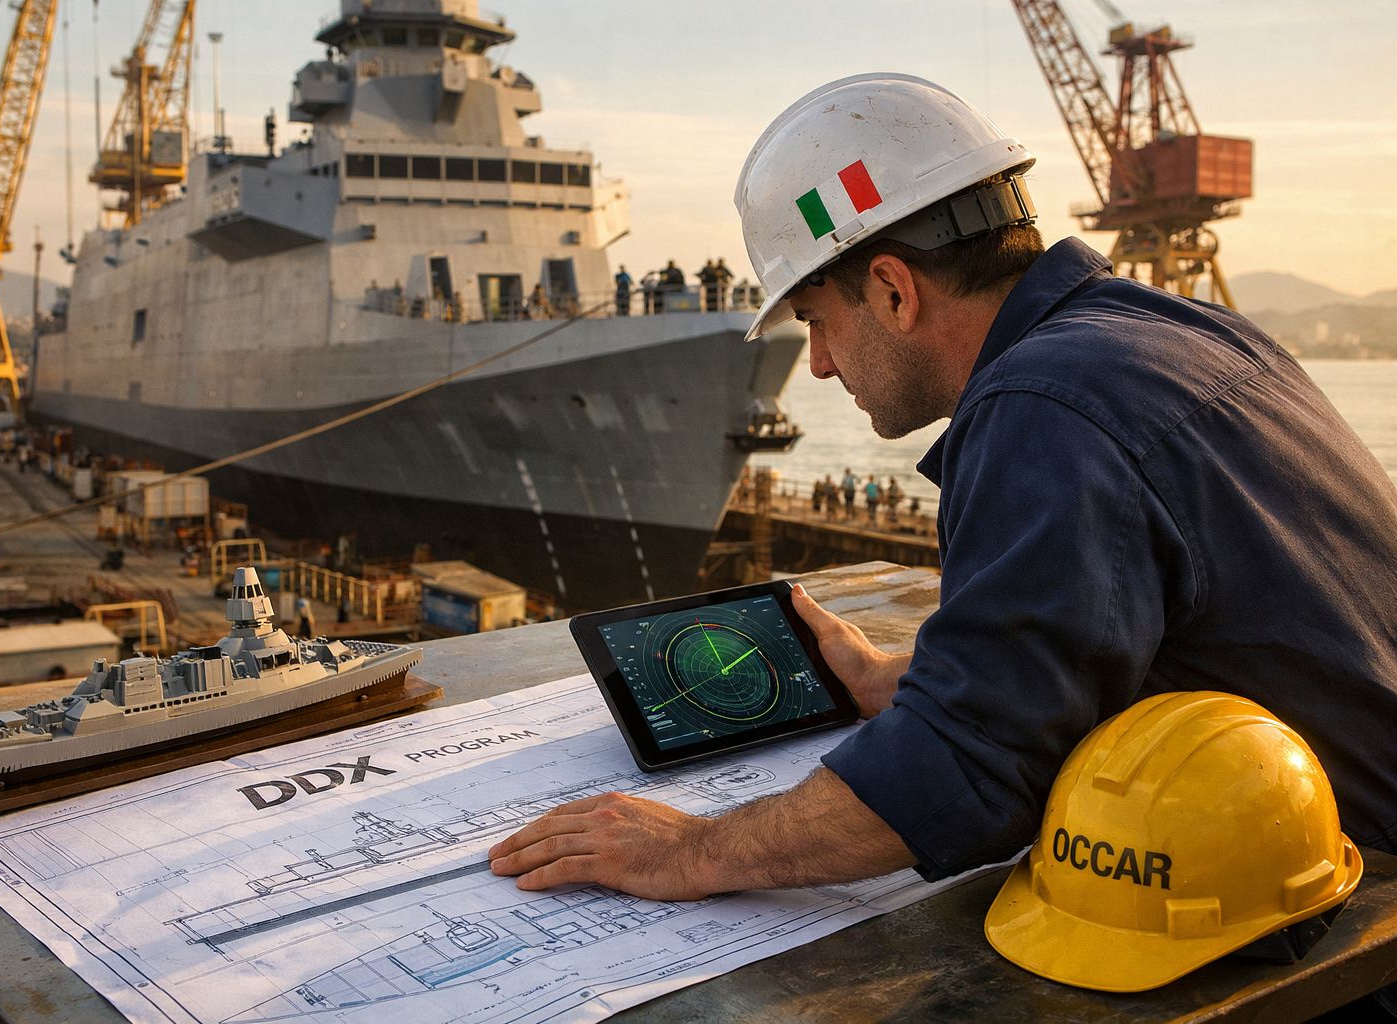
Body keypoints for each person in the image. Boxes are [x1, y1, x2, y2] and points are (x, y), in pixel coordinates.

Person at [488, 73, 1397, 914]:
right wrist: (909, 683)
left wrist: (691, 852)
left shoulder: (1040, 407)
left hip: (1349, 913)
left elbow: (967, 774)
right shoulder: (1176, 329)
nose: (821, 363)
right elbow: (1162, 640)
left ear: (890, 288)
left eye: (817, 321)